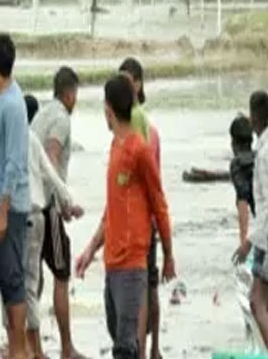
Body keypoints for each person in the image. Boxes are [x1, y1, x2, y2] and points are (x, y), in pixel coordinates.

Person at [76, 75, 175, 359]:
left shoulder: (139, 150)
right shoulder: (115, 147)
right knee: (118, 335)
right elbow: (112, 209)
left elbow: (159, 204)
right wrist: (90, 250)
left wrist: (168, 254)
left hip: (133, 263)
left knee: (126, 347)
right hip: (112, 262)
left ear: (108, 109)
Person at [233, 91, 268, 355]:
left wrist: (249, 242)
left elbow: (265, 204)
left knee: (258, 303)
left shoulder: (264, 154)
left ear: (255, 117)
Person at [31, 67, 83, 359]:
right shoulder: (61, 118)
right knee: (61, 273)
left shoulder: (42, 113)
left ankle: (30, 345)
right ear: (70, 93)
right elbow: (51, 156)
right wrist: (64, 202)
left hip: (31, 204)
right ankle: (66, 348)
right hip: (47, 204)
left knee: (33, 277)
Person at [0, 33, 31, 359]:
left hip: (13, 207)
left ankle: (20, 349)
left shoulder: (13, 105)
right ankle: (15, 345)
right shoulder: (2, 99)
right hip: (3, 203)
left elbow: (15, 162)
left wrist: (3, 210)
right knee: (2, 274)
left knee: (12, 277)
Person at [119, 58, 162, 359]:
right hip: (145, 216)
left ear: (137, 83)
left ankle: (144, 349)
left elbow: (139, 174)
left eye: (126, 80)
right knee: (148, 285)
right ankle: (151, 348)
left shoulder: (138, 123)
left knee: (142, 287)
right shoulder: (143, 124)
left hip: (140, 218)